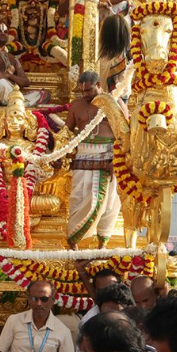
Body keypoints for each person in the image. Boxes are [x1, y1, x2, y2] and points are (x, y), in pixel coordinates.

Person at [65, 72, 121, 249]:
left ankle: (101, 245)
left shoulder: (115, 102)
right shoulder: (76, 105)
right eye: (82, 91)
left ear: (98, 84)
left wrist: (117, 160)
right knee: (78, 198)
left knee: (108, 201)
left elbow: (125, 133)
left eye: (88, 90)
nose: (85, 94)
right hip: (83, 154)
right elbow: (67, 132)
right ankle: (73, 244)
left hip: (108, 155)